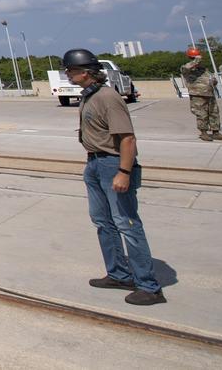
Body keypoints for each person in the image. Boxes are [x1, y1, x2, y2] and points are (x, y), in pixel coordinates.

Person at [63, 48, 165, 306]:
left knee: (127, 224)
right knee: (102, 221)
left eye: (71, 71)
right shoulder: (89, 96)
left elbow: (127, 138)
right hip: (94, 164)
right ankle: (119, 274)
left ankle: (149, 286)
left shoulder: (108, 97)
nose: (67, 75)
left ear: (86, 73)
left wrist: (124, 171)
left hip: (112, 165)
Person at [180, 47, 222, 141]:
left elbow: (210, 77)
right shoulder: (186, 68)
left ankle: (216, 132)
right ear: (192, 58)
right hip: (198, 95)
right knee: (202, 114)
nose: (199, 60)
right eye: (195, 58)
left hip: (209, 93)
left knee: (214, 113)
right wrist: (196, 59)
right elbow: (187, 67)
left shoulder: (203, 69)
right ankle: (204, 133)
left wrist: (213, 81)